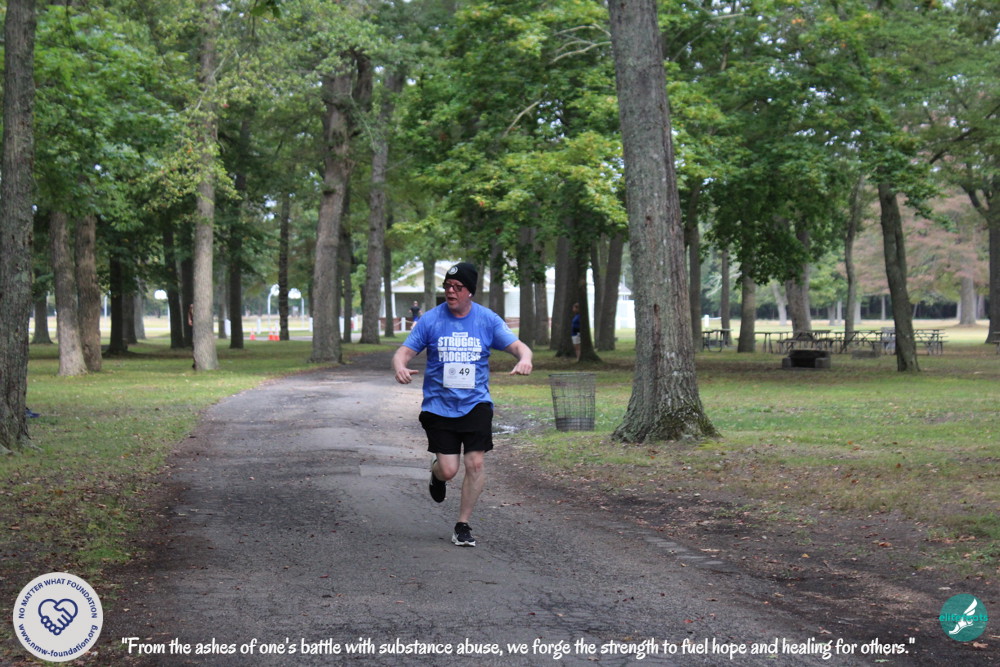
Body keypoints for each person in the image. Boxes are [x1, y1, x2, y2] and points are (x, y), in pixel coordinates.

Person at [392, 262, 532, 547]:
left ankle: (462, 524)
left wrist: (525, 359)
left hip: (475, 402)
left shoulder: (487, 319)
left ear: (470, 291)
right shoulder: (432, 320)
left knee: (475, 462)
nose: (451, 292)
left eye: (457, 287)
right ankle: (437, 475)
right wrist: (400, 366)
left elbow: (519, 347)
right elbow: (403, 352)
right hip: (438, 406)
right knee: (449, 470)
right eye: (447, 286)